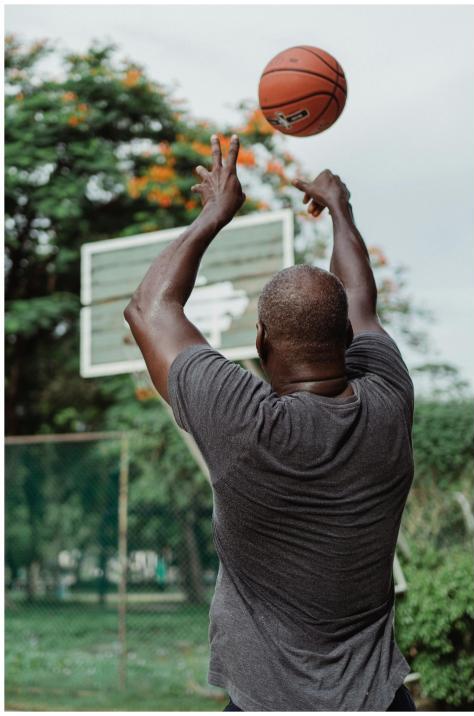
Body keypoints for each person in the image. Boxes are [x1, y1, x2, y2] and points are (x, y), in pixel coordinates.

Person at [124, 135, 416, 711]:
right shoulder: (389, 401)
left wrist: (215, 212)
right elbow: (359, 298)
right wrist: (339, 209)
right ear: (347, 341)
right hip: (377, 700)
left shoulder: (244, 425)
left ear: (260, 342)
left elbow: (149, 308)